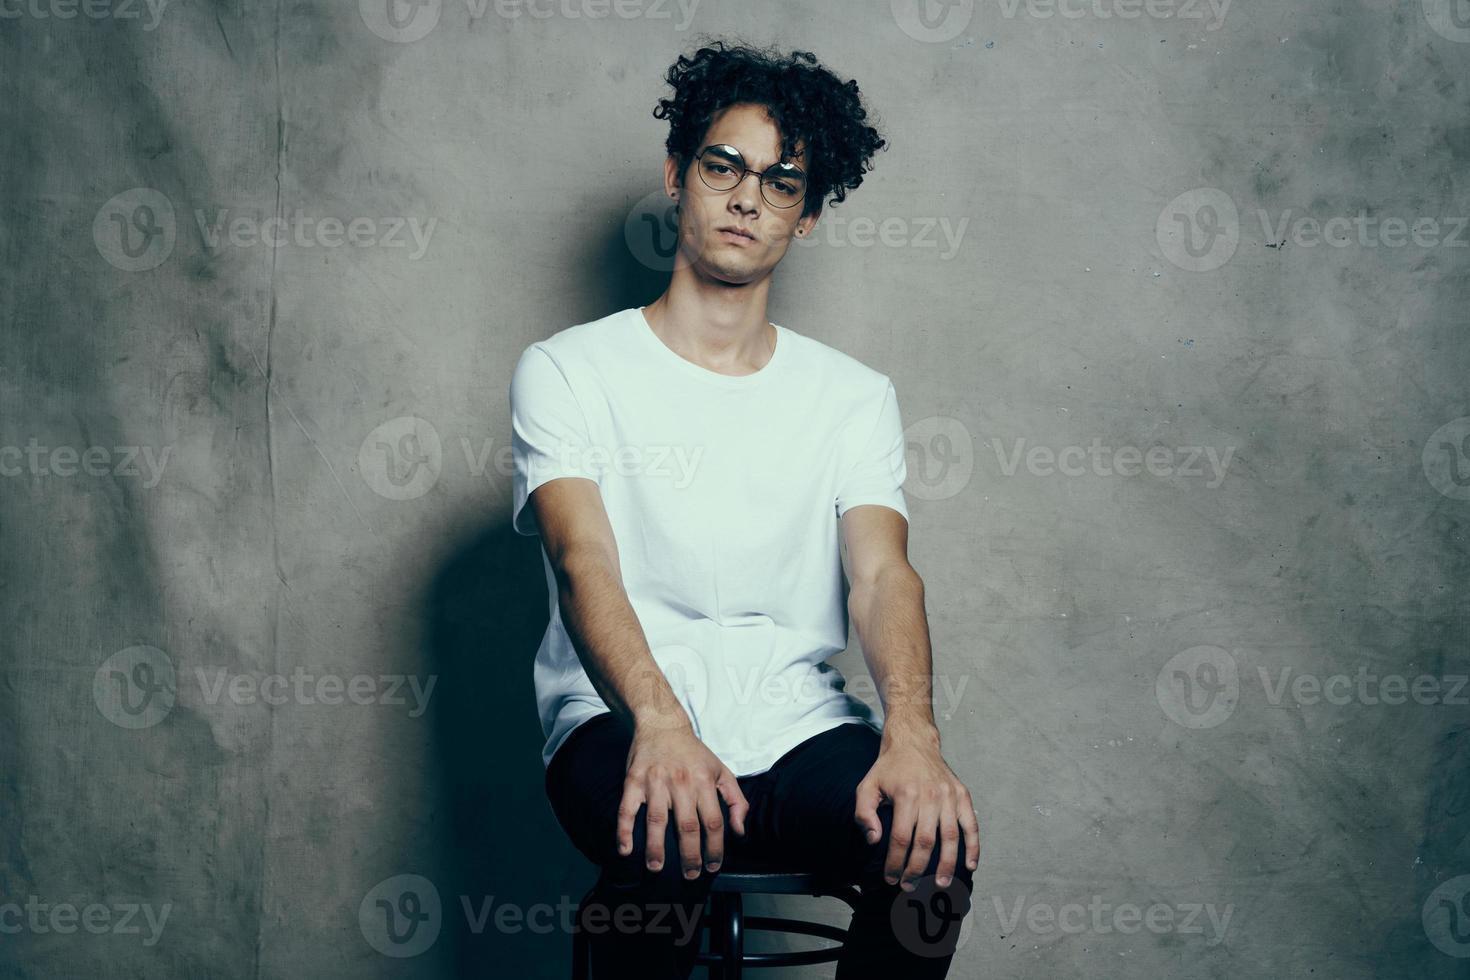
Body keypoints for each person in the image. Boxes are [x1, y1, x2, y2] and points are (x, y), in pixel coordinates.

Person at [509, 38, 979, 979]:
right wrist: (662, 724)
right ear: (680, 175)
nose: (747, 197)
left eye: (782, 181)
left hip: (794, 725)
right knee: (668, 832)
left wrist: (914, 738)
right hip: (620, 719)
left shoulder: (852, 396)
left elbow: (883, 572)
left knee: (930, 853)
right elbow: (582, 560)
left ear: (804, 218)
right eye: (724, 165)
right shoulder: (568, 369)